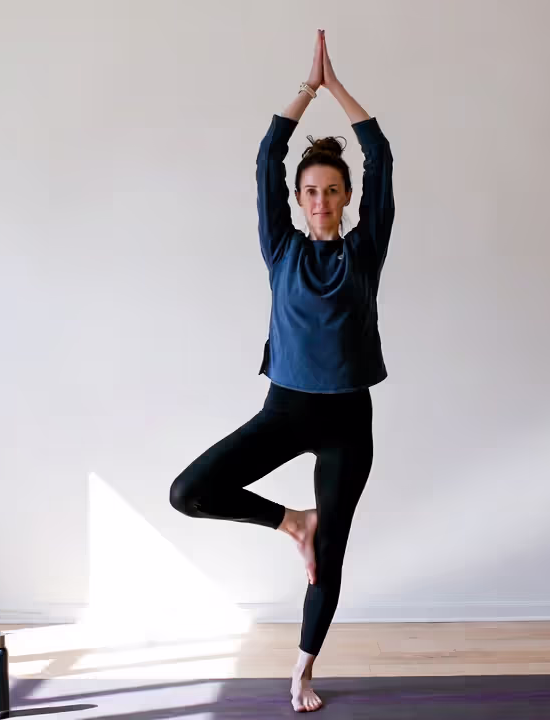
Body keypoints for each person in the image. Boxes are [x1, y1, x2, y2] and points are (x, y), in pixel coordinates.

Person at [168, 29, 394, 713]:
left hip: (348, 420)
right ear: (297, 200)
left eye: (332, 191)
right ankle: (291, 520)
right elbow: (269, 156)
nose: (321, 201)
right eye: (311, 192)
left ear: (349, 198)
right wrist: (305, 91)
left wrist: (341, 91)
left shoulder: (365, 251)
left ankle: (302, 669)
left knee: (330, 555)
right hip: (286, 410)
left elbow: (380, 155)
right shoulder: (281, 249)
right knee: (190, 490)